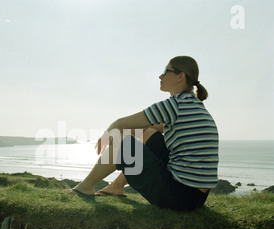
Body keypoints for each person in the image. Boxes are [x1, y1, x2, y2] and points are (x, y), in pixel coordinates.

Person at [70, 56, 219, 211]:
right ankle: (117, 186)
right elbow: (150, 128)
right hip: (196, 197)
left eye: (166, 72)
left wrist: (110, 133)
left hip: (178, 197)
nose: (160, 76)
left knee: (122, 139)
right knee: (148, 133)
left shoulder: (175, 105)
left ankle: (85, 187)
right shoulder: (192, 105)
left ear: (181, 76)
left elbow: (120, 124)